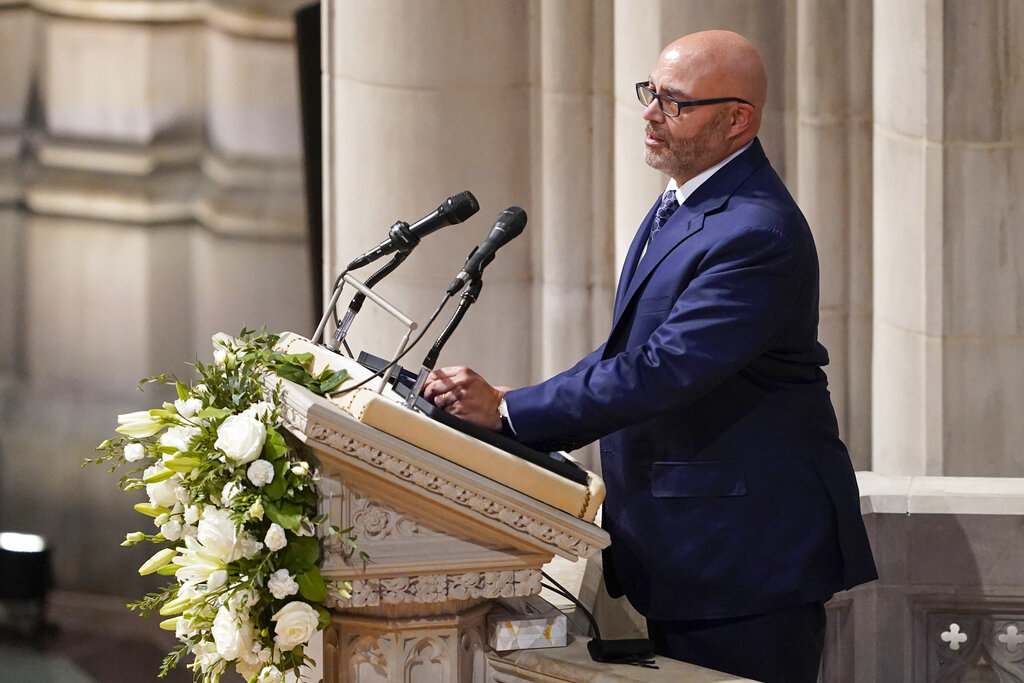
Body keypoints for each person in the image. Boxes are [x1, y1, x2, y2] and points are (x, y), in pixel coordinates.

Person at [423, 29, 877, 683]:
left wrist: (508, 410)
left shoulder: (756, 232)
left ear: (736, 119)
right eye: (650, 93)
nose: (650, 113)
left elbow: (662, 368)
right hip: (687, 551)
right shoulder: (683, 200)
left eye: (674, 102)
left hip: (742, 561)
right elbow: (626, 352)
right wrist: (510, 408)